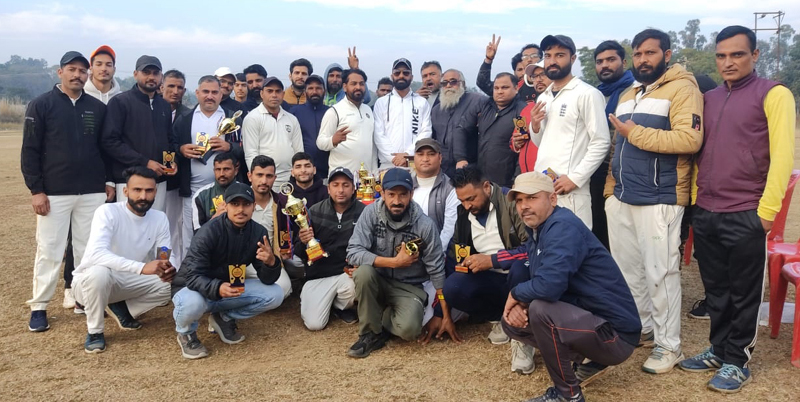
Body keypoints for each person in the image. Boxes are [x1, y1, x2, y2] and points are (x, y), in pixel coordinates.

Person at [680, 25, 796, 393]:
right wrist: (697, 201)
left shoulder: (773, 94)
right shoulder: (709, 98)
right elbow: (699, 149)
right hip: (708, 209)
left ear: (755, 55)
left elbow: (782, 157)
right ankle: (717, 349)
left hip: (746, 211)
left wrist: (766, 214)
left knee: (744, 292)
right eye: (721, 56)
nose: (727, 62)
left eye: (737, 54)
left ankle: (736, 361)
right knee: (716, 290)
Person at [603, 28, 703, 374]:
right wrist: (609, 192)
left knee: (661, 274)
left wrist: (637, 134)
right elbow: (618, 147)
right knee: (630, 273)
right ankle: (643, 328)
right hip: (622, 198)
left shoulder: (683, 88)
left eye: (650, 53)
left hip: (660, 196)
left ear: (667, 54)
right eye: (638, 54)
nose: (643, 60)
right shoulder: (629, 93)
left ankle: (667, 345)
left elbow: (690, 138)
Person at [502, 171, 641, 402]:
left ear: (553, 199)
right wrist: (519, 304)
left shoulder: (562, 227)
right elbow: (546, 282)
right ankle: (588, 359)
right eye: (519, 200)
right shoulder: (539, 229)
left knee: (540, 310)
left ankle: (568, 395)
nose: (524, 206)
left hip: (616, 335)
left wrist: (515, 293)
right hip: (590, 319)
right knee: (511, 321)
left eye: (532, 198)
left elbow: (548, 287)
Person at [21, 51, 111, 332]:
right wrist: (37, 190)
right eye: (72, 70)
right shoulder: (41, 105)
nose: (78, 75)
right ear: (59, 72)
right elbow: (30, 150)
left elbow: (104, 148)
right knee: (49, 249)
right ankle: (39, 306)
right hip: (54, 193)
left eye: (82, 71)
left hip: (92, 192)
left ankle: (84, 300)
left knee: (87, 250)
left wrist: (106, 181)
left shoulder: (97, 108)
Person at [346, 168, 458, 358]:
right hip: (378, 280)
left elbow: (436, 269)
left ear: (411, 194)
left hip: (409, 287)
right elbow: (353, 252)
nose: (397, 201)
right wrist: (393, 262)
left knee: (410, 330)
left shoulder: (425, 225)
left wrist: (445, 314)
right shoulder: (370, 213)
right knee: (363, 273)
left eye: (403, 195)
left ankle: (379, 315)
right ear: (382, 193)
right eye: (391, 194)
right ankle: (370, 334)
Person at [170, 182, 284, 359]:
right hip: (192, 289)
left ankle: (223, 318)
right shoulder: (208, 231)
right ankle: (186, 333)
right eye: (235, 204)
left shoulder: (257, 231)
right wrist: (217, 287)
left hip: (228, 289)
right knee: (192, 304)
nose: (241, 209)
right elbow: (192, 276)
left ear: (254, 206)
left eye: (246, 204)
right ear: (226, 206)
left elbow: (267, 279)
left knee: (276, 294)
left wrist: (271, 262)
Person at [438, 165, 533, 375]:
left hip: (521, 275)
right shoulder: (464, 213)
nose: (467, 205)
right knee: (453, 287)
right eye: (462, 200)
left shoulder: (512, 202)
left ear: (487, 187)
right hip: (491, 279)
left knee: (519, 268)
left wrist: (492, 260)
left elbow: (532, 249)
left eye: (471, 198)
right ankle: (502, 318)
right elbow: (457, 251)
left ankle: (521, 337)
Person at [72, 167, 176, 352]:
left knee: (170, 284)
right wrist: (143, 267)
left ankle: (122, 309)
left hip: (126, 281)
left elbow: (164, 253)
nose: (143, 196)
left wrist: (167, 266)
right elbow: (97, 254)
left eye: (148, 190)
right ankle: (95, 331)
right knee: (99, 273)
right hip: (89, 282)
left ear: (155, 192)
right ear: (125, 191)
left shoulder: (159, 218)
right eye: (137, 190)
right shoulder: (107, 212)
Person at [530, 35, 610, 229]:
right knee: (547, 248)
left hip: (570, 190)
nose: (552, 61)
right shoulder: (545, 96)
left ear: (572, 59)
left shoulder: (587, 94)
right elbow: (542, 142)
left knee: (572, 249)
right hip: (543, 186)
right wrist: (535, 126)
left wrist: (575, 178)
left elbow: (601, 142)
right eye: (548, 56)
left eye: (559, 55)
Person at [102, 55, 177, 212]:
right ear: (136, 74)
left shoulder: (164, 105)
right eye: (146, 72)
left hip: (158, 180)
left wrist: (171, 162)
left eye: (155, 73)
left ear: (161, 77)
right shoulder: (120, 102)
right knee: (129, 228)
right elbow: (110, 142)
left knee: (154, 226)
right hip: (129, 179)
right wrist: (145, 162)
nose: (151, 77)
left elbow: (168, 140)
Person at [294, 167, 365, 330]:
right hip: (318, 276)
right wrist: (303, 240)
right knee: (314, 325)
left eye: (346, 185)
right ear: (328, 189)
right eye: (336, 185)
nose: (340, 190)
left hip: (345, 275)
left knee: (361, 280)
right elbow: (300, 253)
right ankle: (317, 299)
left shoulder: (364, 212)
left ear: (353, 188)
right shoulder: (314, 211)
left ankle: (340, 306)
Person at [591, 40, 634, 250]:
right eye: (600, 61)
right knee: (598, 232)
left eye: (611, 60)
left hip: (623, 173)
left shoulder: (634, 91)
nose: (604, 65)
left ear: (623, 62)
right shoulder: (595, 94)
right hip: (595, 171)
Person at [454, 72, 525, 187]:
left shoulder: (522, 111)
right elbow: (461, 129)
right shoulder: (484, 105)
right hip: (481, 178)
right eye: (496, 88)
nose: (500, 91)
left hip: (507, 182)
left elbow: (524, 149)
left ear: (516, 88)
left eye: (505, 87)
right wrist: (460, 158)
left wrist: (517, 180)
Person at [242, 76, 303, 191]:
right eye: (269, 91)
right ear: (262, 94)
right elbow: (251, 153)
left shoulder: (291, 119)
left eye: (278, 91)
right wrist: (259, 179)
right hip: (265, 181)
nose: (274, 95)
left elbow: (299, 152)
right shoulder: (252, 118)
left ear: (283, 94)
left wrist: (298, 175)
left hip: (290, 180)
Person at [248, 155, 296, 299]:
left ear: (275, 178)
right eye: (259, 175)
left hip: (268, 259)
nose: (264, 181)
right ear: (249, 176)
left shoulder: (283, 203)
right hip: (241, 260)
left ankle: (247, 293)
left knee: (285, 288)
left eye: (269, 176)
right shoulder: (238, 201)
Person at [317, 68, 377, 175]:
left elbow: (371, 146)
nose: (358, 87)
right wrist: (333, 140)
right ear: (345, 87)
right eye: (353, 84)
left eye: (361, 84)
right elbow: (320, 142)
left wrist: (374, 173)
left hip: (366, 178)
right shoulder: (334, 111)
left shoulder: (368, 110)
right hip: (342, 178)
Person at [373, 58, 433, 167]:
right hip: (388, 164)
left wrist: (407, 154)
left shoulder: (421, 102)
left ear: (412, 77)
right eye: (397, 73)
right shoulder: (381, 103)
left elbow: (426, 132)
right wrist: (394, 158)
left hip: (414, 163)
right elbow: (378, 134)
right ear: (392, 76)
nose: (401, 76)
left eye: (405, 73)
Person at [430, 69, 484, 178]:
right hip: (444, 170)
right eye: (445, 83)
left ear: (462, 84)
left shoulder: (477, 101)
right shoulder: (436, 110)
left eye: (453, 82)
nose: (449, 85)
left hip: (470, 167)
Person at [411, 139, 458, 248]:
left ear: (440, 158)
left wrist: (434, 254)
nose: (425, 159)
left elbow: (449, 229)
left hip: (437, 253)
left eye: (431, 154)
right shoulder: (405, 186)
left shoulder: (450, 188)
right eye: (420, 154)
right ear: (414, 158)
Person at [478, 35, 540, 103]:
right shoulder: (514, 87)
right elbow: (483, 84)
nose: (529, 59)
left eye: (534, 56)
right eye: (525, 57)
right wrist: (488, 59)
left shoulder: (549, 81)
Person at [289, 74, 330, 178]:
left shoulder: (332, 112)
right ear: (305, 91)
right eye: (310, 88)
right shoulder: (294, 112)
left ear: (324, 91)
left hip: (328, 169)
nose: (314, 92)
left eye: (318, 88)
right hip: (303, 170)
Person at [191, 152, 240, 230]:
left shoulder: (246, 192)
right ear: (214, 170)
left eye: (226, 169)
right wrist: (215, 218)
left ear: (236, 170)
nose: (221, 174)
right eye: (218, 169)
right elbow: (197, 234)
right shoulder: (201, 195)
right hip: (213, 241)